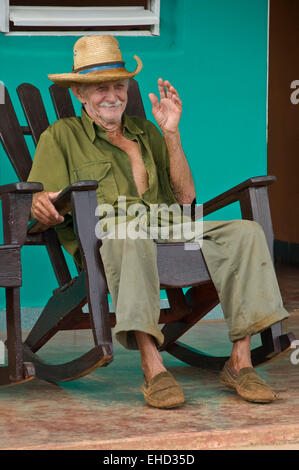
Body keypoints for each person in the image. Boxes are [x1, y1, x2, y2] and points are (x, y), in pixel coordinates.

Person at [27, 35, 289, 409]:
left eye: (119, 85)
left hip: (169, 227)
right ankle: (153, 365)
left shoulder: (146, 132)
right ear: (81, 94)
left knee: (247, 233)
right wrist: (41, 204)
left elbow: (185, 198)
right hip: (111, 236)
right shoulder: (61, 137)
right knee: (128, 237)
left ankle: (240, 361)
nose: (113, 95)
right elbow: (42, 199)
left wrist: (170, 133)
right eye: (101, 88)